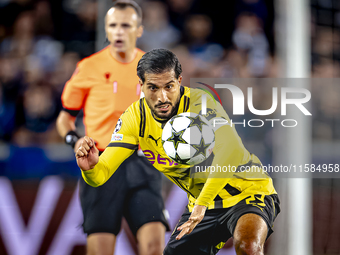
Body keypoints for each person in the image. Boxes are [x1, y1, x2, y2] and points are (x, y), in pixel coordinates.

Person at [76, 48, 281, 255]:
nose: (162, 97)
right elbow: (101, 175)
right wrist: (90, 168)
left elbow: (231, 152)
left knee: (248, 246)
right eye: (153, 88)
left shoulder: (201, 103)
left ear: (180, 81)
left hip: (248, 193)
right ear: (141, 86)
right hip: (203, 206)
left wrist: (202, 203)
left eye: (169, 86)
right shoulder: (134, 119)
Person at [56, 1, 169, 255]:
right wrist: (74, 140)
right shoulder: (88, 68)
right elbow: (65, 118)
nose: (119, 31)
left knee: (154, 247)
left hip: (143, 162)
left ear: (139, 30)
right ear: (106, 30)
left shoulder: (154, 69)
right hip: (102, 163)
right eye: (113, 25)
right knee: (101, 250)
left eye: (126, 25)